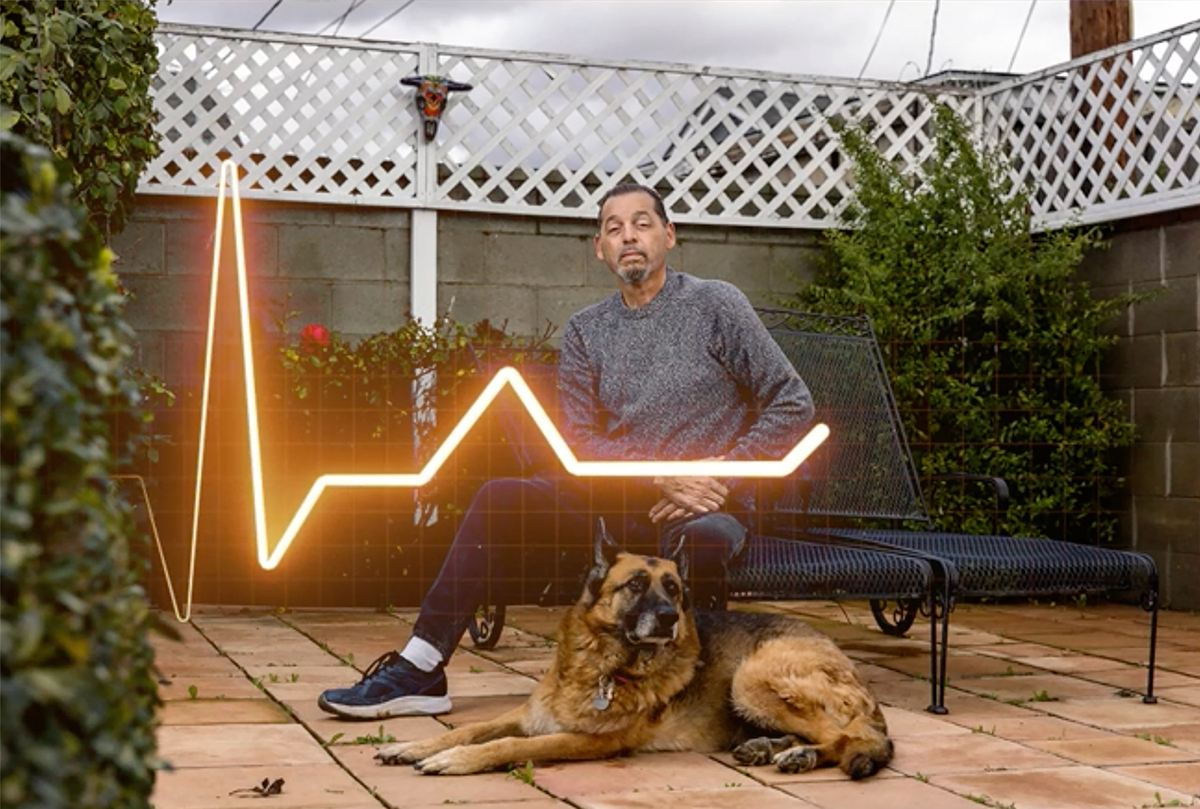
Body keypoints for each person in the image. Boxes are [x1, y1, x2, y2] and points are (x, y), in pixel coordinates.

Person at [317, 183, 813, 720]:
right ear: (598, 247)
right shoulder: (586, 330)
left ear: (669, 236)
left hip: (709, 506)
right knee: (500, 497)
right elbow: (579, 440)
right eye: (614, 227)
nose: (629, 236)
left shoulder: (716, 304)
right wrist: (655, 477)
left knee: (707, 539)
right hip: (619, 501)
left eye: (642, 223)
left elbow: (792, 402)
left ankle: (701, 693)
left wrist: (720, 476)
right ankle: (421, 667)